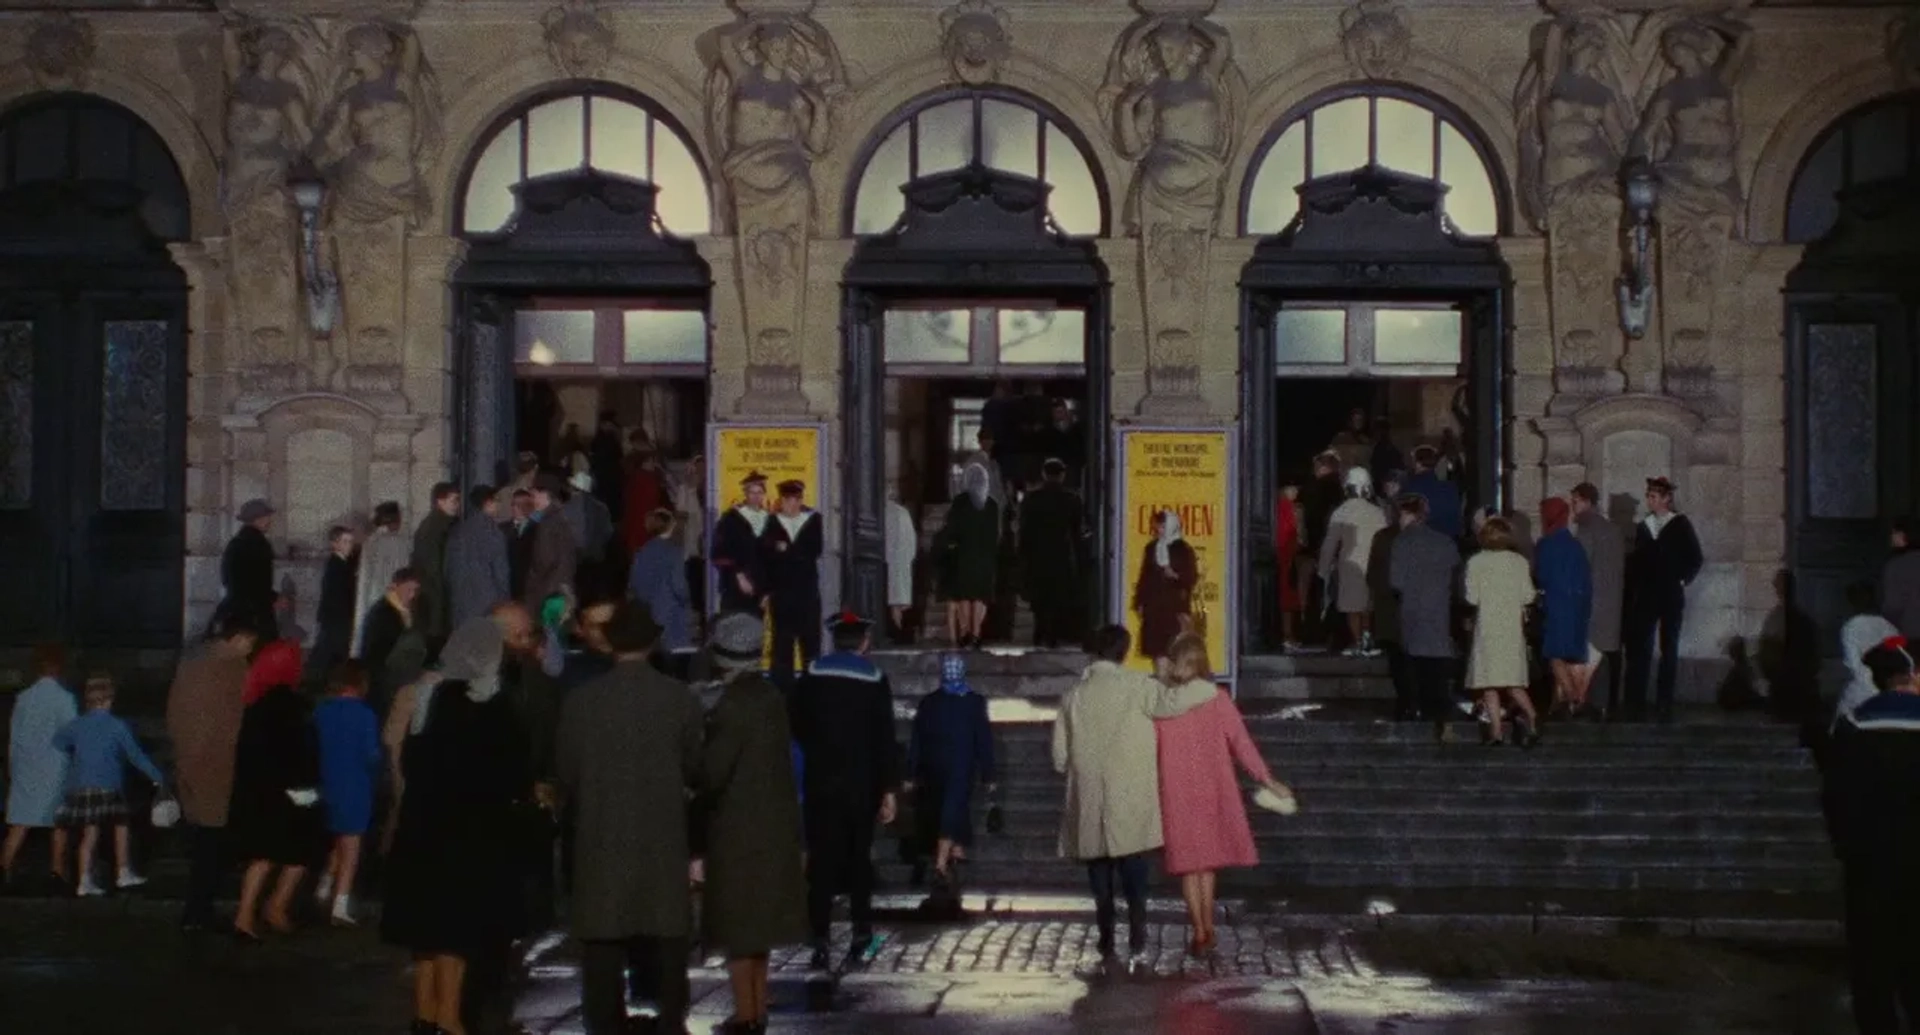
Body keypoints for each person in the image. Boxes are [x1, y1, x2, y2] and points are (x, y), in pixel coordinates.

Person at [556, 601, 703, 1035]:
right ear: (653, 642)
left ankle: (604, 1022)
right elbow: (697, 767)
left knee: (602, 939)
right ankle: (670, 1018)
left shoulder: (583, 701)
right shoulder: (678, 699)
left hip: (602, 832)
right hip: (661, 834)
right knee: (669, 936)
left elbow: (566, 772)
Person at [382, 616, 532, 1035]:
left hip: (421, 825)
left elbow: (410, 760)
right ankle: (449, 1016)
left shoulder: (428, 699)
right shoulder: (490, 709)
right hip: (467, 832)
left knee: (424, 933)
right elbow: (512, 772)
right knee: (456, 932)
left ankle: (425, 1014)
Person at [699, 611, 809, 1035]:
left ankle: (746, 1015)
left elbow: (713, 771)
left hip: (738, 830)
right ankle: (757, 1006)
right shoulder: (771, 698)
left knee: (739, 931)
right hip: (774, 826)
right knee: (758, 931)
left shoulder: (731, 706)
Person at [1151, 633, 1289, 956]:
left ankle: (1199, 928)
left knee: (1188, 865)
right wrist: (1268, 780)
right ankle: (1208, 926)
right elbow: (1242, 745)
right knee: (1207, 865)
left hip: (1176, 790)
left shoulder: (1162, 704)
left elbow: (1148, 749)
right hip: (1212, 788)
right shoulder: (1218, 699)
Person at [1051, 626, 1175, 966]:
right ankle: (1138, 932)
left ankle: (1106, 932)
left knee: (1098, 868)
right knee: (1135, 866)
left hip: (1090, 792)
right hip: (1132, 791)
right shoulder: (1141, 687)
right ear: (1125, 652)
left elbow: (1059, 758)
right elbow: (1171, 710)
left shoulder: (1073, 695)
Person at [790, 612, 900, 970]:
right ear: (864, 642)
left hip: (820, 784)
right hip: (860, 786)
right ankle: (861, 934)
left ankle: (819, 937)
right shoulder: (874, 680)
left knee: (821, 861)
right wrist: (888, 788)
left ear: (834, 640)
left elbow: (797, 729)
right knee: (858, 860)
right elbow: (885, 738)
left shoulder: (810, 678)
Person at [1823, 638, 1920, 1035]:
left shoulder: (1853, 725)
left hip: (1870, 866)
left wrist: (1849, 851)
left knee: (1871, 964)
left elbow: (1836, 799)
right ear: (1912, 675)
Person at [166, 615, 259, 931]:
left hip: (197, 762)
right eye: (249, 641)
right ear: (238, 637)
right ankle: (197, 911)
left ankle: (197, 910)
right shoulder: (229, 669)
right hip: (216, 764)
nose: (251, 648)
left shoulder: (195, 663)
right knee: (211, 844)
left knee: (206, 841)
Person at [227, 640, 324, 938]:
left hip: (258, 790)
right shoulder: (293, 707)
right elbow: (301, 751)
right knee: (300, 854)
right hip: (289, 792)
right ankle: (276, 906)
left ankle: (245, 914)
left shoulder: (254, 705)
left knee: (262, 856)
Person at [53, 675, 165, 897]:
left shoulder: (77, 725)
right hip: (108, 785)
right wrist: (157, 776)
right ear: (109, 700)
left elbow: (58, 742)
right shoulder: (117, 725)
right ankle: (123, 871)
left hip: (79, 786)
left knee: (90, 834)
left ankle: (84, 880)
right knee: (121, 826)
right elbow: (135, 755)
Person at [906, 654, 995, 886]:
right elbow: (983, 738)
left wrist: (911, 771)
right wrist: (989, 772)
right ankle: (942, 862)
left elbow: (917, 739)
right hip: (962, 765)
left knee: (943, 809)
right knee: (952, 809)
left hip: (933, 766)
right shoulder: (974, 702)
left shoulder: (929, 702)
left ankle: (953, 850)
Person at [1624, 477, 1704, 723]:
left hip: (1670, 593)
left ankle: (1664, 700)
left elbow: (1695, 556)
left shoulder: (1680, 524)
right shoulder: (1644, 526)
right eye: (1649, 496)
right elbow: (1637, 560)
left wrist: (1682, 579)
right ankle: (1636, 700)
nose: (1650, 500)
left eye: (1655, 496)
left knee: (1669, 646)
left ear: (1667, 499)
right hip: (1648, 593)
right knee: (1642, 647)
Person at [1388, 495, 1463, 740]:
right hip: (1439, 611)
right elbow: (1457, 577)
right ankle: (1442, 715)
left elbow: (1395, 581)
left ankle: (1415, 710)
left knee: (1413, 665)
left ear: (1408, 514)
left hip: (1412, 610)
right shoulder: (1445, 542)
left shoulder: (1402, 542)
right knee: (1437, 668)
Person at [313, 661, 382, 927]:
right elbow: (371, 755)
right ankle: (340, 902)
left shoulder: (322, 711)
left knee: (336, 840)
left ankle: (324, 885)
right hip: (355, 785)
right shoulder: (365, 715)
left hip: (326, 782)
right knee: (351, 846)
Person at [3, 645, 77, 889]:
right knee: (58, 821)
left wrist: (13, 765)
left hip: (27, 764)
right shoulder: (65, 699)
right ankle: (57, 870)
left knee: (21, 820)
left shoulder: (24, 698)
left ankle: (5, 865)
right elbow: (70, 735)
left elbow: (14, 736)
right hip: (55, 766)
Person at [1465, 517, 1541, 746]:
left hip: (1488, 628)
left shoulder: (1476, 562)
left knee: (1489, 682)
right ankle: (1533, 717)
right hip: (1510, 628)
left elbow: (1471, 597)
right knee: (1512, 682)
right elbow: (1529, 595)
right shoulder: (1519, 562)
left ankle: (1496, 731)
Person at [1570, 482, 1627, 718]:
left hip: (1590, 604)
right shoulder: (1613, 531)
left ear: (1586, 501)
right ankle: (1605, 704)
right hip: (1611, 603)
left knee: (1587, 657)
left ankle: (1584, 703)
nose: (1573, 507)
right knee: (1605, 655)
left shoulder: (1586, 529)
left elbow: (1580, 567)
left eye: (1575, 501)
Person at [1536, 497, 1596, 718]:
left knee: (1554, 654)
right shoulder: (1575, 545)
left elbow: (1542, 576)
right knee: (1572, 655)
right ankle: (1563, 701)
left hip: (1556, 605)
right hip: (1578, 605)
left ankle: (1574, 698)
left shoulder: (1546, 545)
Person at [1320, 467, 1389, 655]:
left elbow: (1329, 544)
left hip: (1349, 565)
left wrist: (1323, 569)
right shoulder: (1378, 512)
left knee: (1352, 606)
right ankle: (1367, 639)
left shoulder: (1341, 512)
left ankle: (1357, 642)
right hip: (1374, 564)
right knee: (1368, 605)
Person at [1019, 459, 1085, 649]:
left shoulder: (1032, 500)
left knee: (1040, 598)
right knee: (1058, 598)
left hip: (1037, 556)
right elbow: (1077, 532)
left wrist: (1023, 557)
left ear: (1044, 474)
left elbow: (1024, 532)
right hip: (1061, 555)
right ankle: (1053, 636)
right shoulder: (1072, 500)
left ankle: (1039, 633)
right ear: (1062, 475)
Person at [764, 480, 825, 683]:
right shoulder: (772, 522)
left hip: (807, 594)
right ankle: (782, 691)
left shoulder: (814, 520)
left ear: (800, 500)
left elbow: (814, 550)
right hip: (781, 595)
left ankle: (812, 687)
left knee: (811, 644)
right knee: (782, 646)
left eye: (795, 500)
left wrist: (786, 551)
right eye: (787, 500)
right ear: (781, 500)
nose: (791, 504)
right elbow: (768, 554)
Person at [937, 463, 1000, 648]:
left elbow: (952, 529)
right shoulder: (992, 505)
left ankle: (964, 632)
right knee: (980, 597)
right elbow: (995, 534)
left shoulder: (960, 502)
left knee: (965, 595)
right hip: (985, 558)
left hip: (963, 556)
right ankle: (976, 633)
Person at [629, 508, 695, 678]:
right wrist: (688, 601)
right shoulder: (673, 552)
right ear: (670, 525)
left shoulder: (641, 552)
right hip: (672, 616)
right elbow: (679, 586)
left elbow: (634, 585)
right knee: (677, 671)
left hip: (649, 615)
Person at [1131, 509, 1198, 664]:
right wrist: (1140, 602)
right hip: (1154, 607)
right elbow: (1144, 576)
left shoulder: (1183, 549)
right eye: (1156, 527)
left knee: (1175, 649)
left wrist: (1175, 575)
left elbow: (1192, 577)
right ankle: (1161, 681)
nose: (1157, 530)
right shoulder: (1151, 548)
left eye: (1161, 526)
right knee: (1157, 651)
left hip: (1174, 606)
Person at [359, 566, 427, 716]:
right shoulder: (382, 613)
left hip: (393, 681)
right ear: (395, 586)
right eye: (408, 589)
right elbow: (379, 652)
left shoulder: (401, 611)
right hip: (383, 683)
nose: (412, 595)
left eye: (415, 590)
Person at [447, 484, 511, 630]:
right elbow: (501, 571)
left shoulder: (458, 530)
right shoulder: (494, 532)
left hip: (461, 600)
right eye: (497, 501)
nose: (499, 505)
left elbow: (449, 569)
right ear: (488, 503)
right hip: (489, 602)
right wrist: (505, 600)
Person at [217, 498, 281, 641]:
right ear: (257, 519)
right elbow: (259, 581)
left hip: (235, 609)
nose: (269, 520)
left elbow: (227, 578)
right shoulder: (259, 544)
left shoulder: (235, 543)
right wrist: (273, 597)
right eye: (266, 517)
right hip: (255, 613)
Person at [353, 501, 410, 656]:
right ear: (396, 519)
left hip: (374, 598)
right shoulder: (404, 542)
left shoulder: (371, 542)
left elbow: (365, 580)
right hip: (399, 598)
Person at [412, 482, 462, 655]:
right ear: (440, 501)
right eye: (454, 500)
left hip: (435, 599)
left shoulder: (442, 525)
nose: (457, 505)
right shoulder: (435, 528)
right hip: (435, 599)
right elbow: (434, 568)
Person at [713, 471, 772, 613]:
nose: (756, 497)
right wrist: (739, 576)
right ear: (745, 493)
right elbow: (720, 553)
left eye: (760, 492)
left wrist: (767, 591)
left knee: (755, 631)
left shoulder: (770, 520)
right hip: (735, 587)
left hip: (759, 590)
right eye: (752, 492)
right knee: (734, 628)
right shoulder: (731, 519)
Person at [525, 472, 580, 609]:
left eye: (534, 495)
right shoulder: (563, 516)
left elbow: (544, 560)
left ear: (544, 494)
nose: (532, 500)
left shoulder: (548, 523)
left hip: (548, 592)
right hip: (563, 588)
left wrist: (530, 582)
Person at [312, 526, 359, 680]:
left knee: (329, 655)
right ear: (335, 544)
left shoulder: (342, 564)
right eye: (345, 541)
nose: (349, 545)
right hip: (336, 618)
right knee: (330, 656)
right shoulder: (337, 565)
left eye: (351, 542)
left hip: (335, 617)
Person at [1403, 445, 1463, 541]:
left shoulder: (1410, 488)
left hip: (1421, 544)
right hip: (1450, 543)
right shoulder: (1450, 488)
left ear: (1418, 464)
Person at [885, 487, 918, 638]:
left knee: (893, 599)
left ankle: (897, 631)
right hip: (903, 560)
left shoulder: (885, 512)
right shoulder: (903, 513)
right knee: (898, 598)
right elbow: (912, 538)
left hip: (889, 559)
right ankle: (899, 629)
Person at [1275, 486, 1305, 651]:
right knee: (1288, 600)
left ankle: (1285, 635)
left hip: (1279, 556)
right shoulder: (1292, 510)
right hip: (1288, 557)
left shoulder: (1274, 508)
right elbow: (1299, 537)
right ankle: (1288, 635)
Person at [1883, 518, 1920, 640]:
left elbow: (1893, 606)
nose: (1891, 537)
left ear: (1902, 535)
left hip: (1911, 634)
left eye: (1894, 533)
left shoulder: (1897, 565)